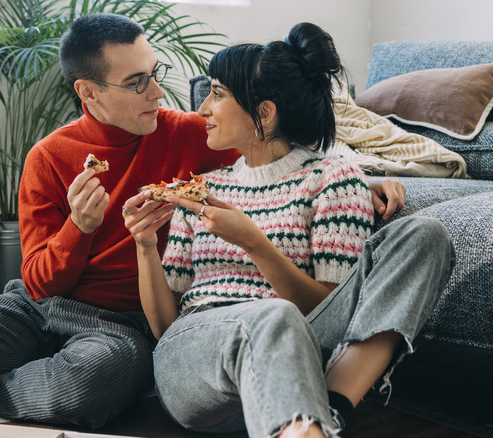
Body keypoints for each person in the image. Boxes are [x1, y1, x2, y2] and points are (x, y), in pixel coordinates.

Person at [0, 14, 405, 438]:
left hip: (126, 325)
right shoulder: (50, 157)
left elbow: (277, 143)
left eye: (155, 72)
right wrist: (78, 227)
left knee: (91, 383)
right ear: (88, 92)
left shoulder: (190, 136)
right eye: (137, 83)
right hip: (38, 305)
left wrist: (364, 176)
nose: (159, 92)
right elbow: (39, 280)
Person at [123, 22, 455, 438]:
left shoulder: (334, 179)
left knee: (424, 235)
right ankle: (313, 415)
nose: (203, 108)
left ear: (264, 112)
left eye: (218, 94)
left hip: (298, 351)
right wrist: (144, 245)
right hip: (198, 363)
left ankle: (323, 411)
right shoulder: (203, 189)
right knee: (272, 315)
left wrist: (254, 243)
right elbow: (165, 327)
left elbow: (328, 310)